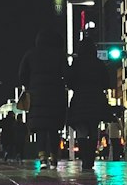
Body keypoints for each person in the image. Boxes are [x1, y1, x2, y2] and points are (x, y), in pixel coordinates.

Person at [17, 29, 69, 166]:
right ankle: (53, 156)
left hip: (37, 95)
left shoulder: (31, 54)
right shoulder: (59, 55)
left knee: (41, 127)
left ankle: (42, 157)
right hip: (56, 95)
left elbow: (22, 74)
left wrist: (30, 86)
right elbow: (67, 74)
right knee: (53, 127)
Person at [67, 37, 111, 169]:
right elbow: (106, 82)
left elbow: (70, 81)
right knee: (93, 129)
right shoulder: (99, 64)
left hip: (80, 99)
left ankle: (84, 158)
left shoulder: (77, 63)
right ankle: (90, 159)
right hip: (96, 99)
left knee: (81, 130)